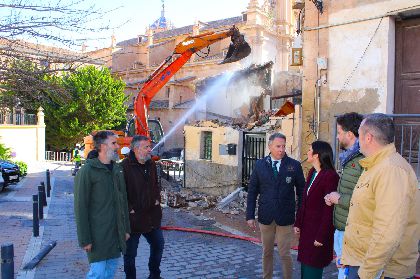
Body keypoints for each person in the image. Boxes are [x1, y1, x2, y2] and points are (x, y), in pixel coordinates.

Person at [341, 113, 419, 279]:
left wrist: (367, 273)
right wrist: (350, 256)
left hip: (381, 271)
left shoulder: (391, 170)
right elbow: (365, 217)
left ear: (368, 138)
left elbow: (387, 231)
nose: (357, 138)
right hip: (364, 264)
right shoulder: (376, 165)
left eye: (359, 134)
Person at [246, 132, 305, 279]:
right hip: (266, 216)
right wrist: (250, 215)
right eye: (278, 146)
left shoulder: (294, 165)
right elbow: (252, 191)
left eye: (283, 146)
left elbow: (302, 192)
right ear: (270, 146)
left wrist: (301, 216)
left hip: (285, 217)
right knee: (267, 252)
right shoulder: (259, 165)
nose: (281, 149)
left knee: (284, 253)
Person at [74, 130, 131, 279]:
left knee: (110, 272)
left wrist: (125, 229)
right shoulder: (87, 171)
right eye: (114, 143)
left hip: (115, 234)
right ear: (103, 146)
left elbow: (123, 201)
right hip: (97, 235)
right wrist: (84, 239)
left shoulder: (117, 169)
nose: (117, 147)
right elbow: (80, 207)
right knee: (98, 274)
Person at [324, 112, 364, 279]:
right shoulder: (350, 159)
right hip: (344, 230)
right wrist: (334, 196)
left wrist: (338, 198)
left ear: (349, 134)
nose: (337, 137)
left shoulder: (362, 160)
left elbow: (365, 200)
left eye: (339, 132)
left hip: (353, 233)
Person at [294, 141, 339, 278]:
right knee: (305, 268)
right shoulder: (312, 172)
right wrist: (298, 222)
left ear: (317, 155)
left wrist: (322, 236)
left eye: (309, 150)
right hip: (307, 231)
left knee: (312, 271)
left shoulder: (330, 176)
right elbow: (305, 201)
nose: (307, 152)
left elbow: (329, 211)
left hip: (318, 233)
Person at [122, 135, 164, 279]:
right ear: (135, 149)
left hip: (151, 216)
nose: (149, 150)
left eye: (149, 146)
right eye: (146, 147)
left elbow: (155, 185)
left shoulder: (151, 164)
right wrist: (129, 209)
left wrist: (157, 198)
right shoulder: (124, 167)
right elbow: (120, 193)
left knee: (158, 245)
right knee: (130, 254)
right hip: (133, 220)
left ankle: (154, 275)